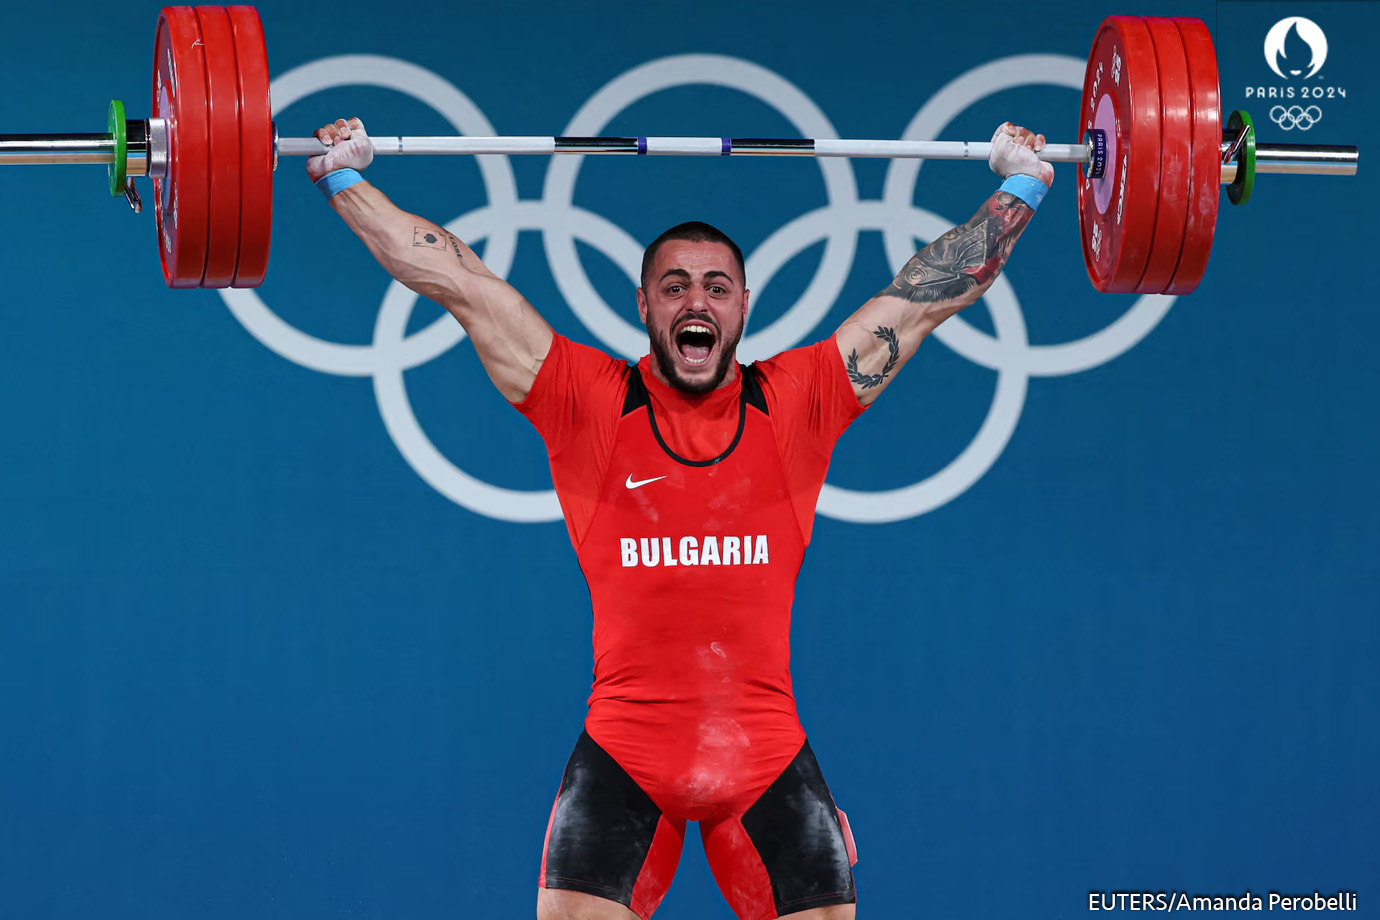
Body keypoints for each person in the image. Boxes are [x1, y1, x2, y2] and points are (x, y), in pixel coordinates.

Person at [308, 116, 1052, 920]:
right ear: (644, 305)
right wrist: (346, 180)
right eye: (675, 286)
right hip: (626, 757)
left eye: (716, 287)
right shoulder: (583, 400)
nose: (696, 302)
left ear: (741, 308)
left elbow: (917, 303)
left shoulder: (799, 400)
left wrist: (1022, 187)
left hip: (766, 761)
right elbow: (460, 283)